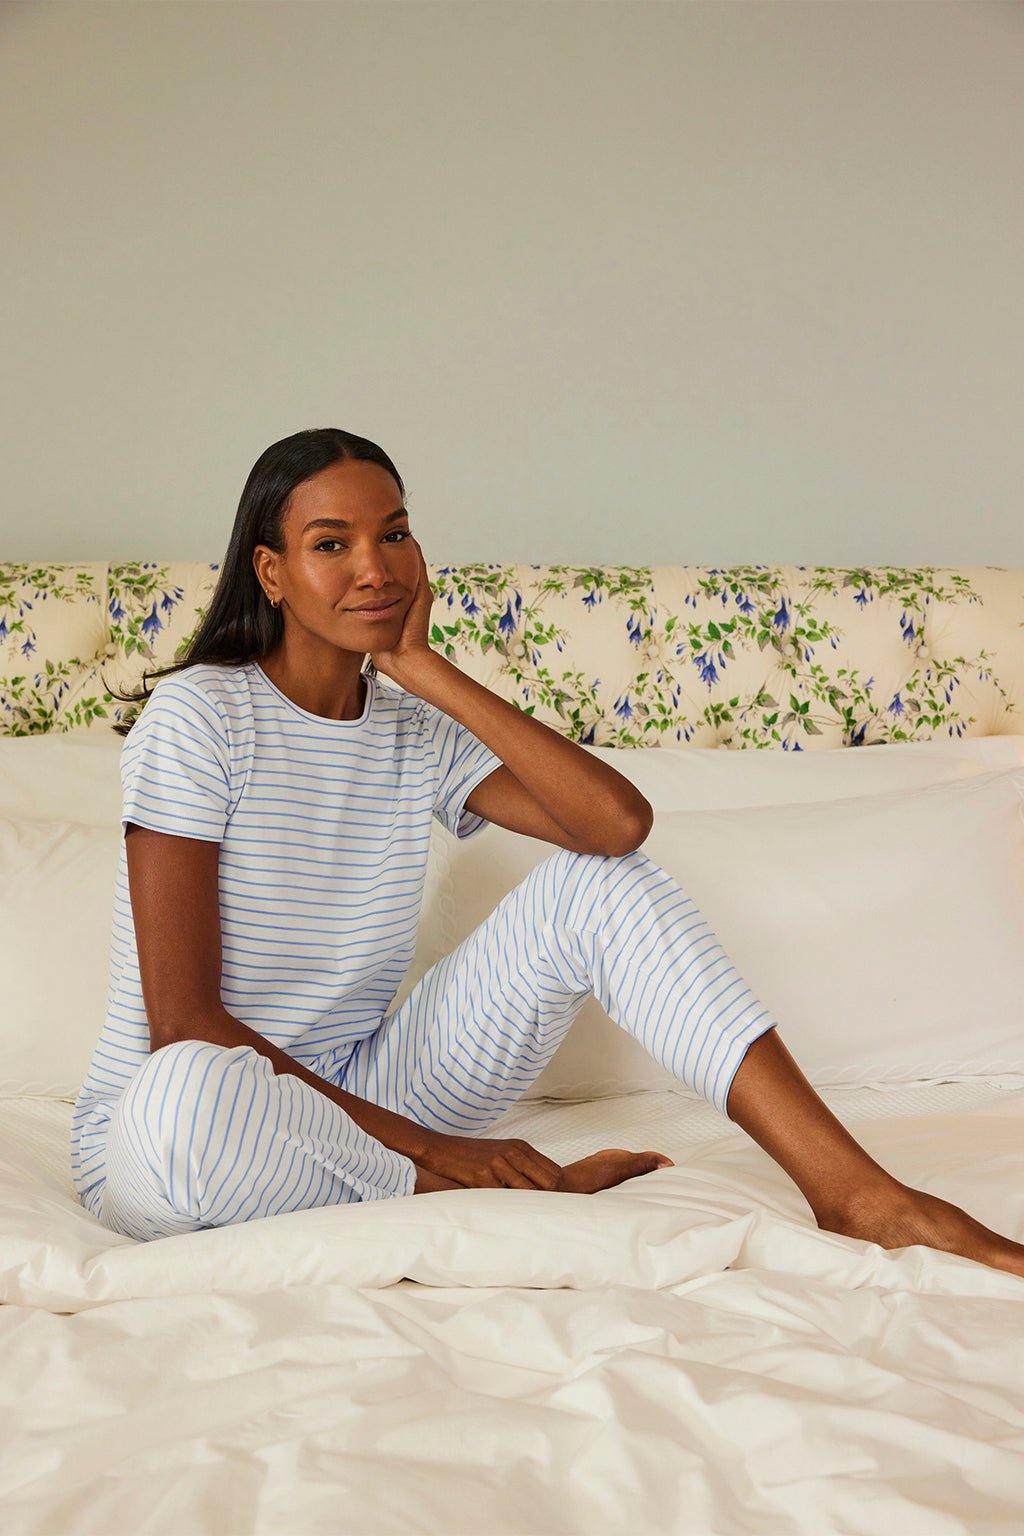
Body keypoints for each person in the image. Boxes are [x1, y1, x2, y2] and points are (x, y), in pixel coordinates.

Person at [72, 428, 1024, 1277]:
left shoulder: (412, 726)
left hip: (366, 1087)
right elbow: (185, 1023)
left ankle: (857, 1194)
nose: (374, 568)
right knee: (187, 1094)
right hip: (196, 1118)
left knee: (598, 888)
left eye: (394, 535)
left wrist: (425, 672)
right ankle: (468, 1193)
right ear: (271, 572)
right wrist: (441, 1151)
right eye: (332, 545)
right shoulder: (201, 715)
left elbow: (616, 827)